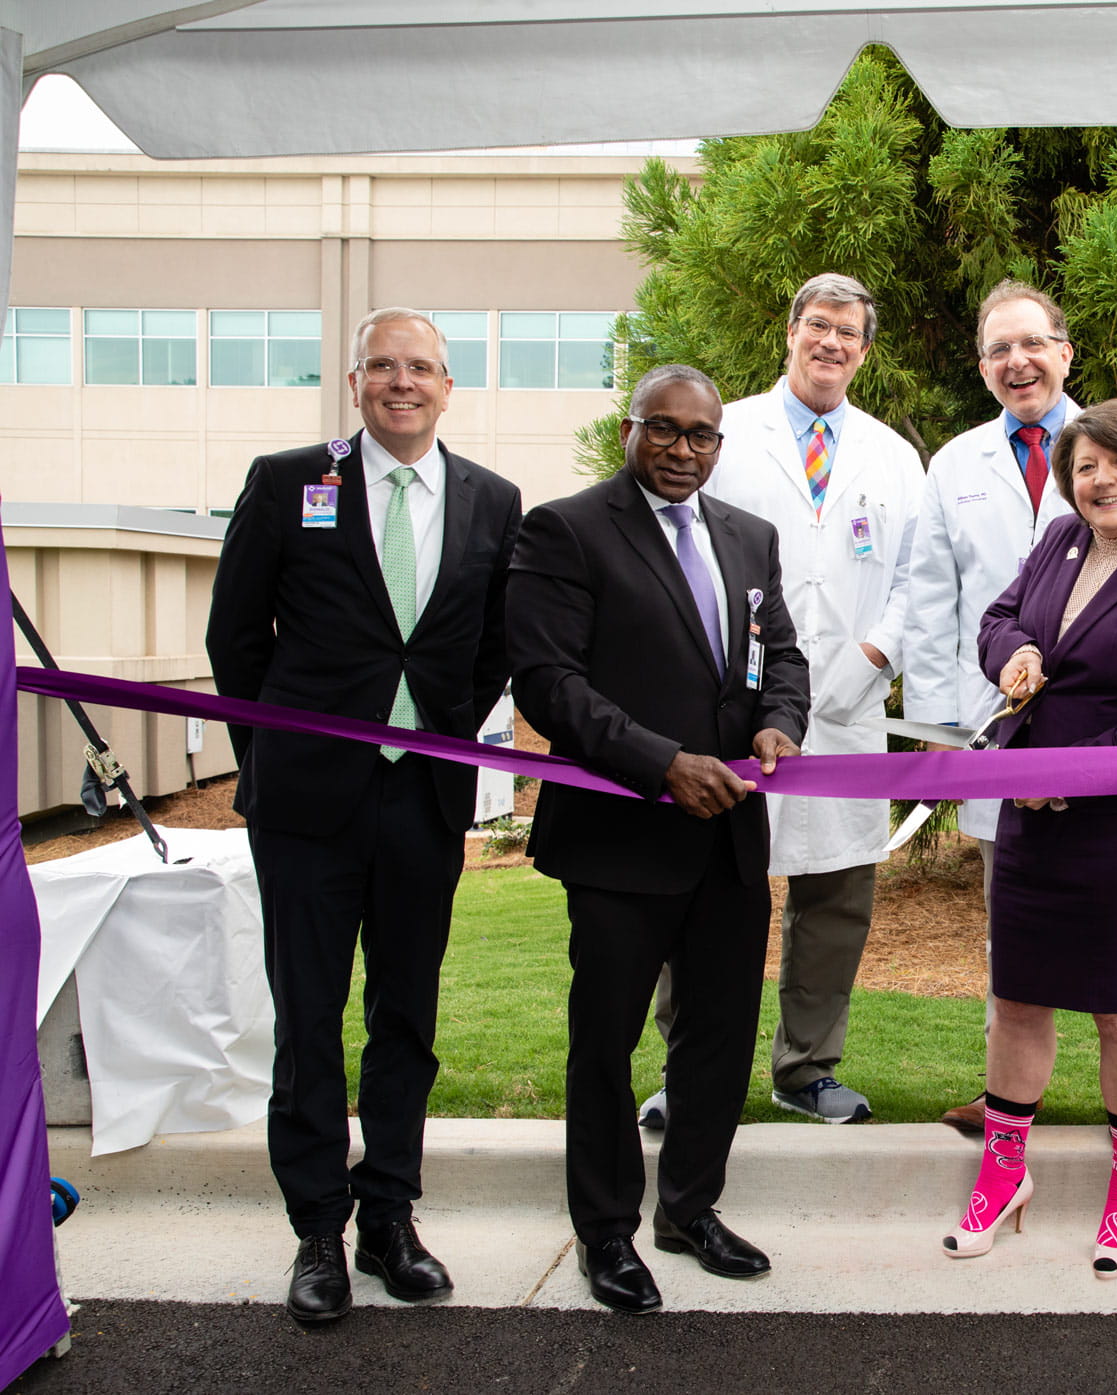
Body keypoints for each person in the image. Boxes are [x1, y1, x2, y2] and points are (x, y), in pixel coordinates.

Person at [205, 307, 521, 1323]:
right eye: (381, 365)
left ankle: (389, 1216)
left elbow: (489, 649)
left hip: (420, 799)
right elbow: (235, 640)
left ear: (446, 386)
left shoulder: (491, 501)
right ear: (354, 384)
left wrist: (433, 737)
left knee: (405, 1017)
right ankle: (315, 1234)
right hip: (306, 804)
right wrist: (278, 755)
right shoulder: (289, 480)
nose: (401, 381)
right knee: (308, 1019)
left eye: (419, 367)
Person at [506, 364, 809, 1315]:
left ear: (722, 443)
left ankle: (690, 1208)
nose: (684, 450)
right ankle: (606, 1232)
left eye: (702, 436)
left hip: (728, 841)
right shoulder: (567, 528)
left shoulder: (749, 536)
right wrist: (662, 761)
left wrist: (781, 722)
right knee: (605, 1043)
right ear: (629, 431)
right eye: (665, 430)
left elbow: (781, 659)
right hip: (619, 838)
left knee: (716, 1040)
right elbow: (548, 683)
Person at [902, 279, 1117, 1134]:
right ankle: (1008, 1091)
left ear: (1066, 352)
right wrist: (937, 731)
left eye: (1031, 343)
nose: (1016, 360)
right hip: (1001, 737)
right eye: (998, 348)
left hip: (1115, 754)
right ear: (983, 366)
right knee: (1013, 931)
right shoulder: (955, 463)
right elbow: (936, 600)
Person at [944, 399, 1117, 1279]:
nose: (1100, 480)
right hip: (1034, 826)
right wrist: (1015, 652)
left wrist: (1070, 768)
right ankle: (1002, 1174)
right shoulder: (1060, 541)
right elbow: (995, 617)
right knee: (1019, 1002)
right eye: (1085, 465)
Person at [703, 271, 922, 1126]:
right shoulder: (729, 432)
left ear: (864, 351)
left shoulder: (892, 456)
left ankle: (806, 1069)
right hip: (736, 700)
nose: (832, 344)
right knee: (717, 888)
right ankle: (696, 1068)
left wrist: (876, 652)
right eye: (818, 326)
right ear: (789, 330)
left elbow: (916, 578)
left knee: (834, 896)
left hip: (848, 703)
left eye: (849, 334)